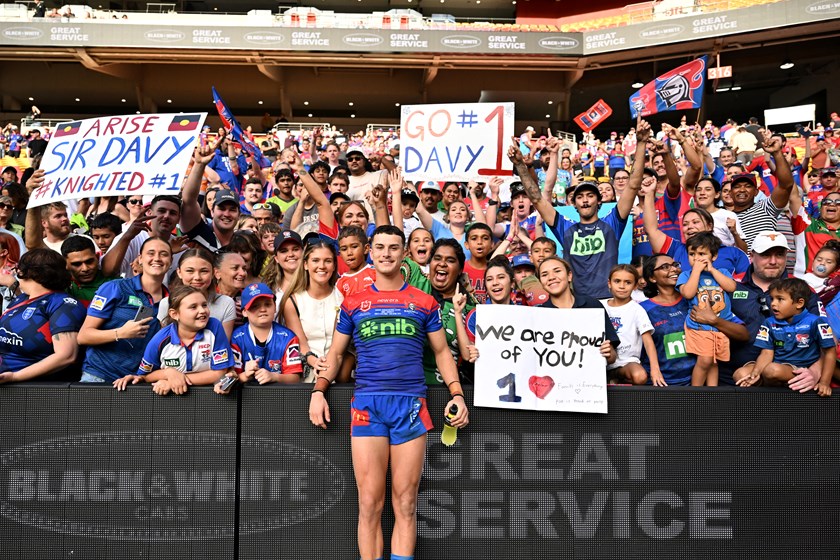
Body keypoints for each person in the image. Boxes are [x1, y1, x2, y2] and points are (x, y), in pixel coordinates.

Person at [309, 225, 468, 560]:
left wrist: (457, 395)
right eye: (379, 247)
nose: (386, 254)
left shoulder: (424, 302)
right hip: (368, 404)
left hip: (410, 404)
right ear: (370, 250)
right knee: (369, 502)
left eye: (394, 248)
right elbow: (336, 354)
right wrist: (319, 390)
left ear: (404, 253)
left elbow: (442, 353)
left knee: (406, 502)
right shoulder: (353, 303)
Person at [511, 133, 638, 299]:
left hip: (610, 301)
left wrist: (641, 143)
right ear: (574, 203)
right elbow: (536, 198)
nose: (585, 200)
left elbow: (634, 184)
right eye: (580, 196)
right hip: (576, 304)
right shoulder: (566, 227)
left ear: (599, 201)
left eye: (590, 196)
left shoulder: (612, 223)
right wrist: (520, 166)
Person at [78, 238, 172, 383]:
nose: (157, 258)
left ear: (171, 261)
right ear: (140, 259)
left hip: (138, 381)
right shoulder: (115, 288)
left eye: (164, 254)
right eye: (151, 253)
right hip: (99, 376)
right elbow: (83, 336)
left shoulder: (171, 301)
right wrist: (120, 333)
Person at [114, 286, 235, 395]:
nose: (202, 310)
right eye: (193, 307)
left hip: (209, 398)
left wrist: (176, 380)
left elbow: (219, 373)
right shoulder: (160, 339)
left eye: (204, 305)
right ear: (174, 314)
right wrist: (169, 373)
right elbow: (144, 376)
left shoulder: (214, 326)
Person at [736, 278, 836, 397]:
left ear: (799, 303)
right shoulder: (769, 323)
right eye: (772, 298)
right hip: (774, 366)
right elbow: (767, 353)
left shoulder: (816, 322)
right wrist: (756, 373)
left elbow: (830, 352)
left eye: (780, 299)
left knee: (772, 370)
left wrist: (825, 382)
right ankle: (765, 393)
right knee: (741, 374)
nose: (773, 303)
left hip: (799, 369)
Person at [0, 249, 85, 383]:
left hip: (39, 389)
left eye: (17, 268)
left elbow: (67, 356)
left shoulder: (64, 305)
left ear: (26, 272)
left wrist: (15, 377)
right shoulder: (22, 298)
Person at [676, 232, 739, 386]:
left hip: (718, 327)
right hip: (699, 326)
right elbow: (688, 293)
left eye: (702, 254)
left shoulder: (721, 273)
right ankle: (695, 393)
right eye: (692, 254)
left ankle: (712, 392)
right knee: (705, 359)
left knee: (713, 361)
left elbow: (731, 287)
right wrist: (696, 271)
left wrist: (712, 270)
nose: (696, 258)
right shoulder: (687, 275)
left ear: (714, 256)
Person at [279, 241, 343, 382]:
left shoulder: (342, 297)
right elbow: (300, 343)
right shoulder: (293, 301)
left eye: (328, 261)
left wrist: (330, 366)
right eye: (315, 260)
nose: (322, 266)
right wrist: (314, 361)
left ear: (334, 266)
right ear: (306, 265)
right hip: (306, 372)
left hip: (340, 373)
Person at [537, 256, 618, 364]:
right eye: (544, 274)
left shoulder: (593, 306)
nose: (551, 277)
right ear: (541, 283)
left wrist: (608, 352)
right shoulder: (538, 315)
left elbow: (612, 357)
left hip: (590, 378)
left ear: (569, 275)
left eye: (557, 271)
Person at [226, 282, 303, 387]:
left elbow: (295, 378)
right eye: (255, 306)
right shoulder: (236, 338)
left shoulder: (288, 337)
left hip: (279, 397)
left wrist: (274, 377)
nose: (262, 309)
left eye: (267, 304)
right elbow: (228, 378)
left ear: (275, 306)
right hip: (245, 398)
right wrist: (245, 375)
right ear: (244, 312)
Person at [602, 264, 661, 386]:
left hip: (627, 363)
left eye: (628, 282)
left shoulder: (637, 310)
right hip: (600, 360)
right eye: (617, 281)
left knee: (639, 376)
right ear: (609, 283)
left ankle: (614, 376)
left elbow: (648, 341)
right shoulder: (599, 305)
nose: (622, 286)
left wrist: (655, 370)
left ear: (634, 286)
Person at [159, 248, 236, 340]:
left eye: (204, 271)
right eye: (190, 271)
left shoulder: (226, 303)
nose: (197, 277)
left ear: (213, 273)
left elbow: (223, 345)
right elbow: (164, 341)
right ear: (179, 273)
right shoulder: (166, 303)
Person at [62, 236, 117, 308]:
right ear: (65, 264)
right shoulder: (59, 285)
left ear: (97, 257)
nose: (85, 269)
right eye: (77, 264)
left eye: (89, 261)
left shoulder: (115, 286)